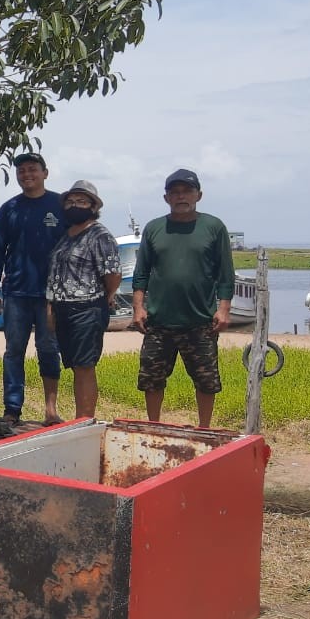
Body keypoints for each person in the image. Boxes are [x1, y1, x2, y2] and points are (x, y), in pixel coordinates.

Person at [132, 169, 235, 428]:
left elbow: (225, 273)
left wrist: (223, 309)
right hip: (158, 320)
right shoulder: (154, 228)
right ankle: (154, 425)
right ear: (166, 197)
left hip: (200, 321)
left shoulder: (213, 227)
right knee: (152, 379)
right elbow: (141, 272)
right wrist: (137, 308)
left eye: (187, 191)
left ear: (198, 195)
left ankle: (204, 428)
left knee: (206, 381)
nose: (181, 196)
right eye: (175, 192)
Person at [0, 152, 64, 425]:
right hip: (16, 292)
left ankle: (51, 409)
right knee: (13, 351)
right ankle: (12, 409)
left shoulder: (60, 204)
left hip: (52, 295)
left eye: (32, 170)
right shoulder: (9, 208)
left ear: (45, 172)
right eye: (22, 171)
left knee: (49, 349)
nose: (27, 175)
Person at [46, 181, 121, 419]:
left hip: (88, 308)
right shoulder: (66, 235)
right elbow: (55, 274)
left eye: (81, 201)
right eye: (70, 200)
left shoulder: (100, 235)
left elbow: (112, 274)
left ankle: (85, 419)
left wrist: (105, 296)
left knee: (85, 366)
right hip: (63, 308)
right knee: (75, 366)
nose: (74, 205)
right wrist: (51, 308)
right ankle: (80, 420)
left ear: (93, 206)